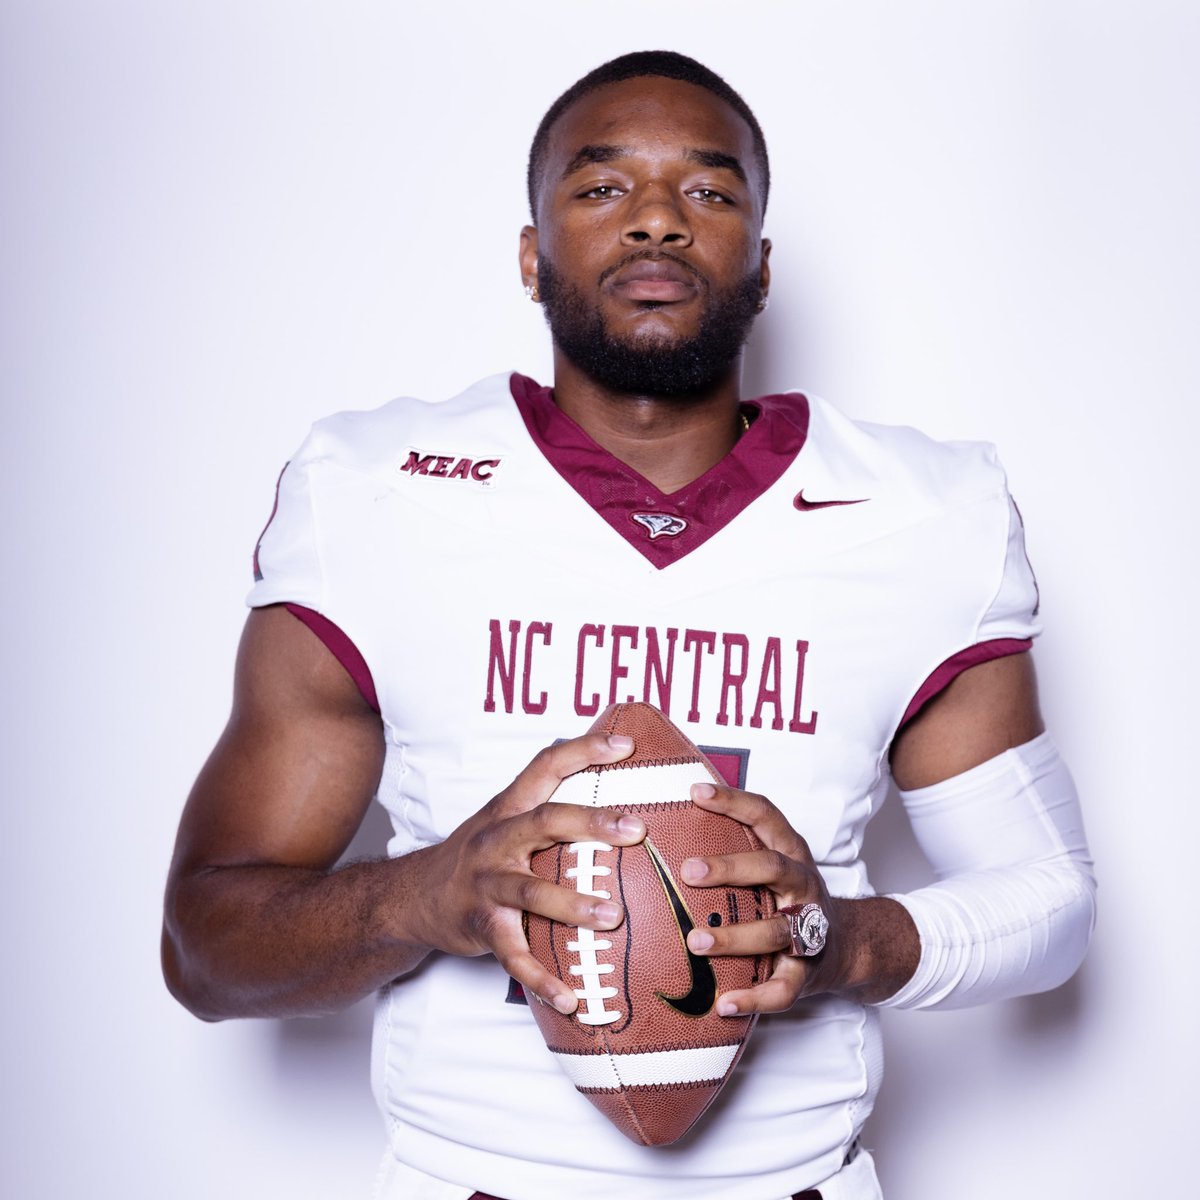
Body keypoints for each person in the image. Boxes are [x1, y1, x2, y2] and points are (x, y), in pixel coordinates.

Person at [162, 50, 1096, 1200]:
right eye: (602, 188)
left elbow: (1052, 902)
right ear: (528, 252)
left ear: (760, 261)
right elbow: (206, 947)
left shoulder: (921, 514)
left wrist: (841, 942)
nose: (657, 222)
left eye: (709, 192)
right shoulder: (374, 492)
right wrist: (423, 895)